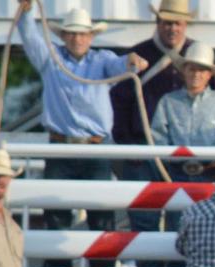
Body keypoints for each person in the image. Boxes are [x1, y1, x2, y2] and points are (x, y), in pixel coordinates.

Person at [111, 0, 215, 233]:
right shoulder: (140, 55)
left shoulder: (210, 84)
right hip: (150, 154)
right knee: (148, 220)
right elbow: (119, 97)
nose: (172, 28)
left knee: (203, 225)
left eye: (177, 23)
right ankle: (150, 255)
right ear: (158, 23)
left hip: (199, 167)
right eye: (167, 23)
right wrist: (128, 144)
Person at [15, 3, 147, 232]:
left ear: (91, 37)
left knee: (101, 215)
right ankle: (59, 255)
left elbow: (121, 65)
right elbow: (29, 36)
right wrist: (26, 12)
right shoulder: (51, 58)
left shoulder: (102, 60)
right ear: (64, 36)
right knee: (56, 215)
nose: (77, 39)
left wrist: (132, 61)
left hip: (95, 149)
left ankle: (100, 256)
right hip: (60, 147)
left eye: (83, 34)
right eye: (72, 33)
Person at [151, 43, 215, 183]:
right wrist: (171, 157)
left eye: (202, 70)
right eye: (192, 69)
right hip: (175, 172)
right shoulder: (168, 101)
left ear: (209, 74)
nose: (196, 74)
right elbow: (158, 135)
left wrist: (213, 156)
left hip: (211, 172)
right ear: (184, 71)